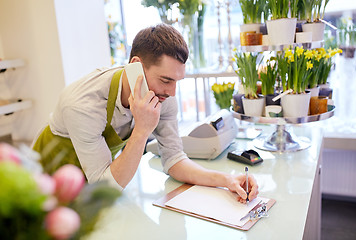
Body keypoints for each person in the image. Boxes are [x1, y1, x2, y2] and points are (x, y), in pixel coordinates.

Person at [32, 24, 258, 203]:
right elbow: (106, 185)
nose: (171, 92)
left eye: (177, 81)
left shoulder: (162, 96)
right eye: (166, 80)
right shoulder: (83, 105)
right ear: (136, 66)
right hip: (45, 180)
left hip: (94, 182)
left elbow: (174, 160)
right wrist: (142, 130)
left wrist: (226, 180)